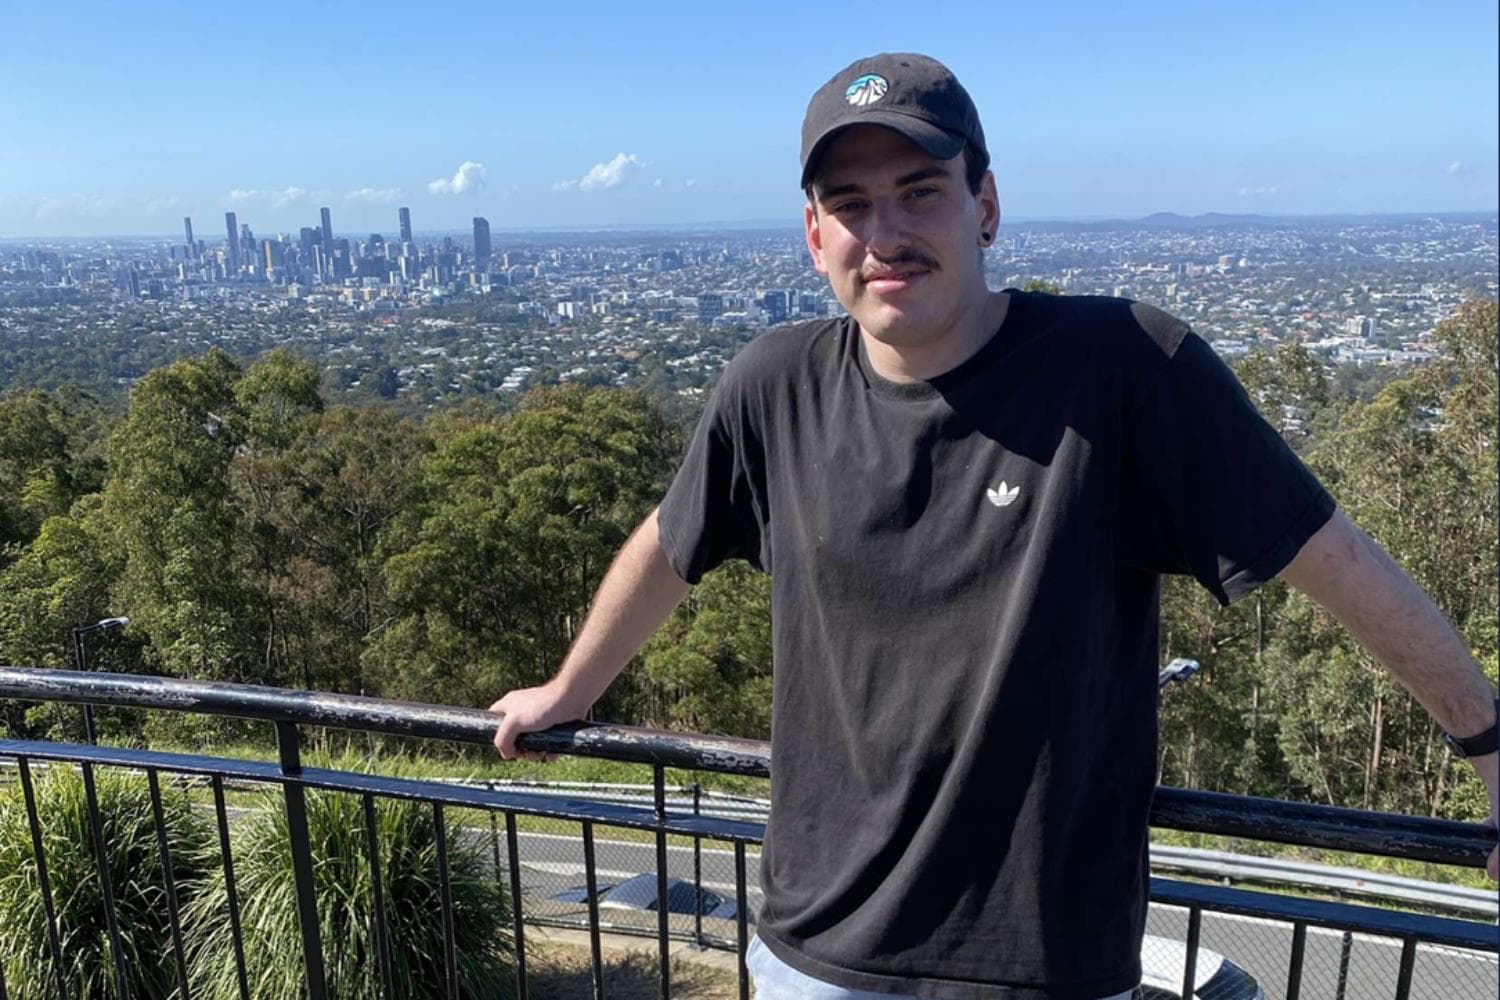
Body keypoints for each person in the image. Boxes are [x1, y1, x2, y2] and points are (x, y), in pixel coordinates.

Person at [491, 52, 1499, 1000]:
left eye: (920, 191)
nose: (884, 232)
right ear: (814, 238)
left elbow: (1336, 561)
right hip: (816, 955)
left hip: (1044, 960)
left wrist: (1489, 743)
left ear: (986, 205)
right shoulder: (773, 386)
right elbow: (671, 543)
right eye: (849, 205)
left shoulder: (1124, 370)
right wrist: (570, 689)